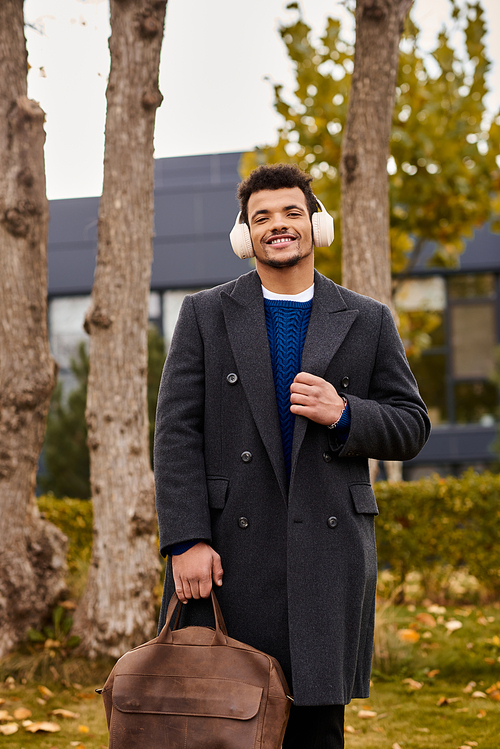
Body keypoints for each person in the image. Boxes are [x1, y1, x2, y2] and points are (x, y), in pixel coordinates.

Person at [154, 163, 430, 748]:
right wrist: (185, 539)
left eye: (291, 212)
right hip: (227, 553)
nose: (277, 225)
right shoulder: (204, 315)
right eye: (261, 217)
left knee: (316, 730)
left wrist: (346, 413)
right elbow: (176, 431)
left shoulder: (368, 318)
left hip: (326, 557)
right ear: (244, 236)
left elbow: (411, 426)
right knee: (218, 722)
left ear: (315, 225)